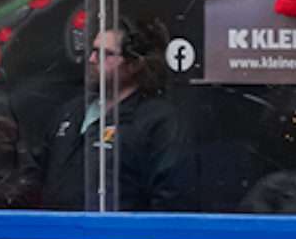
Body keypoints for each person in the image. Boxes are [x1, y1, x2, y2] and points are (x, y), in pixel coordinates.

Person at [36, 19, 194, 211]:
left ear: (135, 64)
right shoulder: (71, 112)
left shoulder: (157, 121)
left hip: (120, 237)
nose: (92, 60)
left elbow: (171, 197)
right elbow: (39, 175)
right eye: (93, 51)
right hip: (56, 234)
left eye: (105, 54)